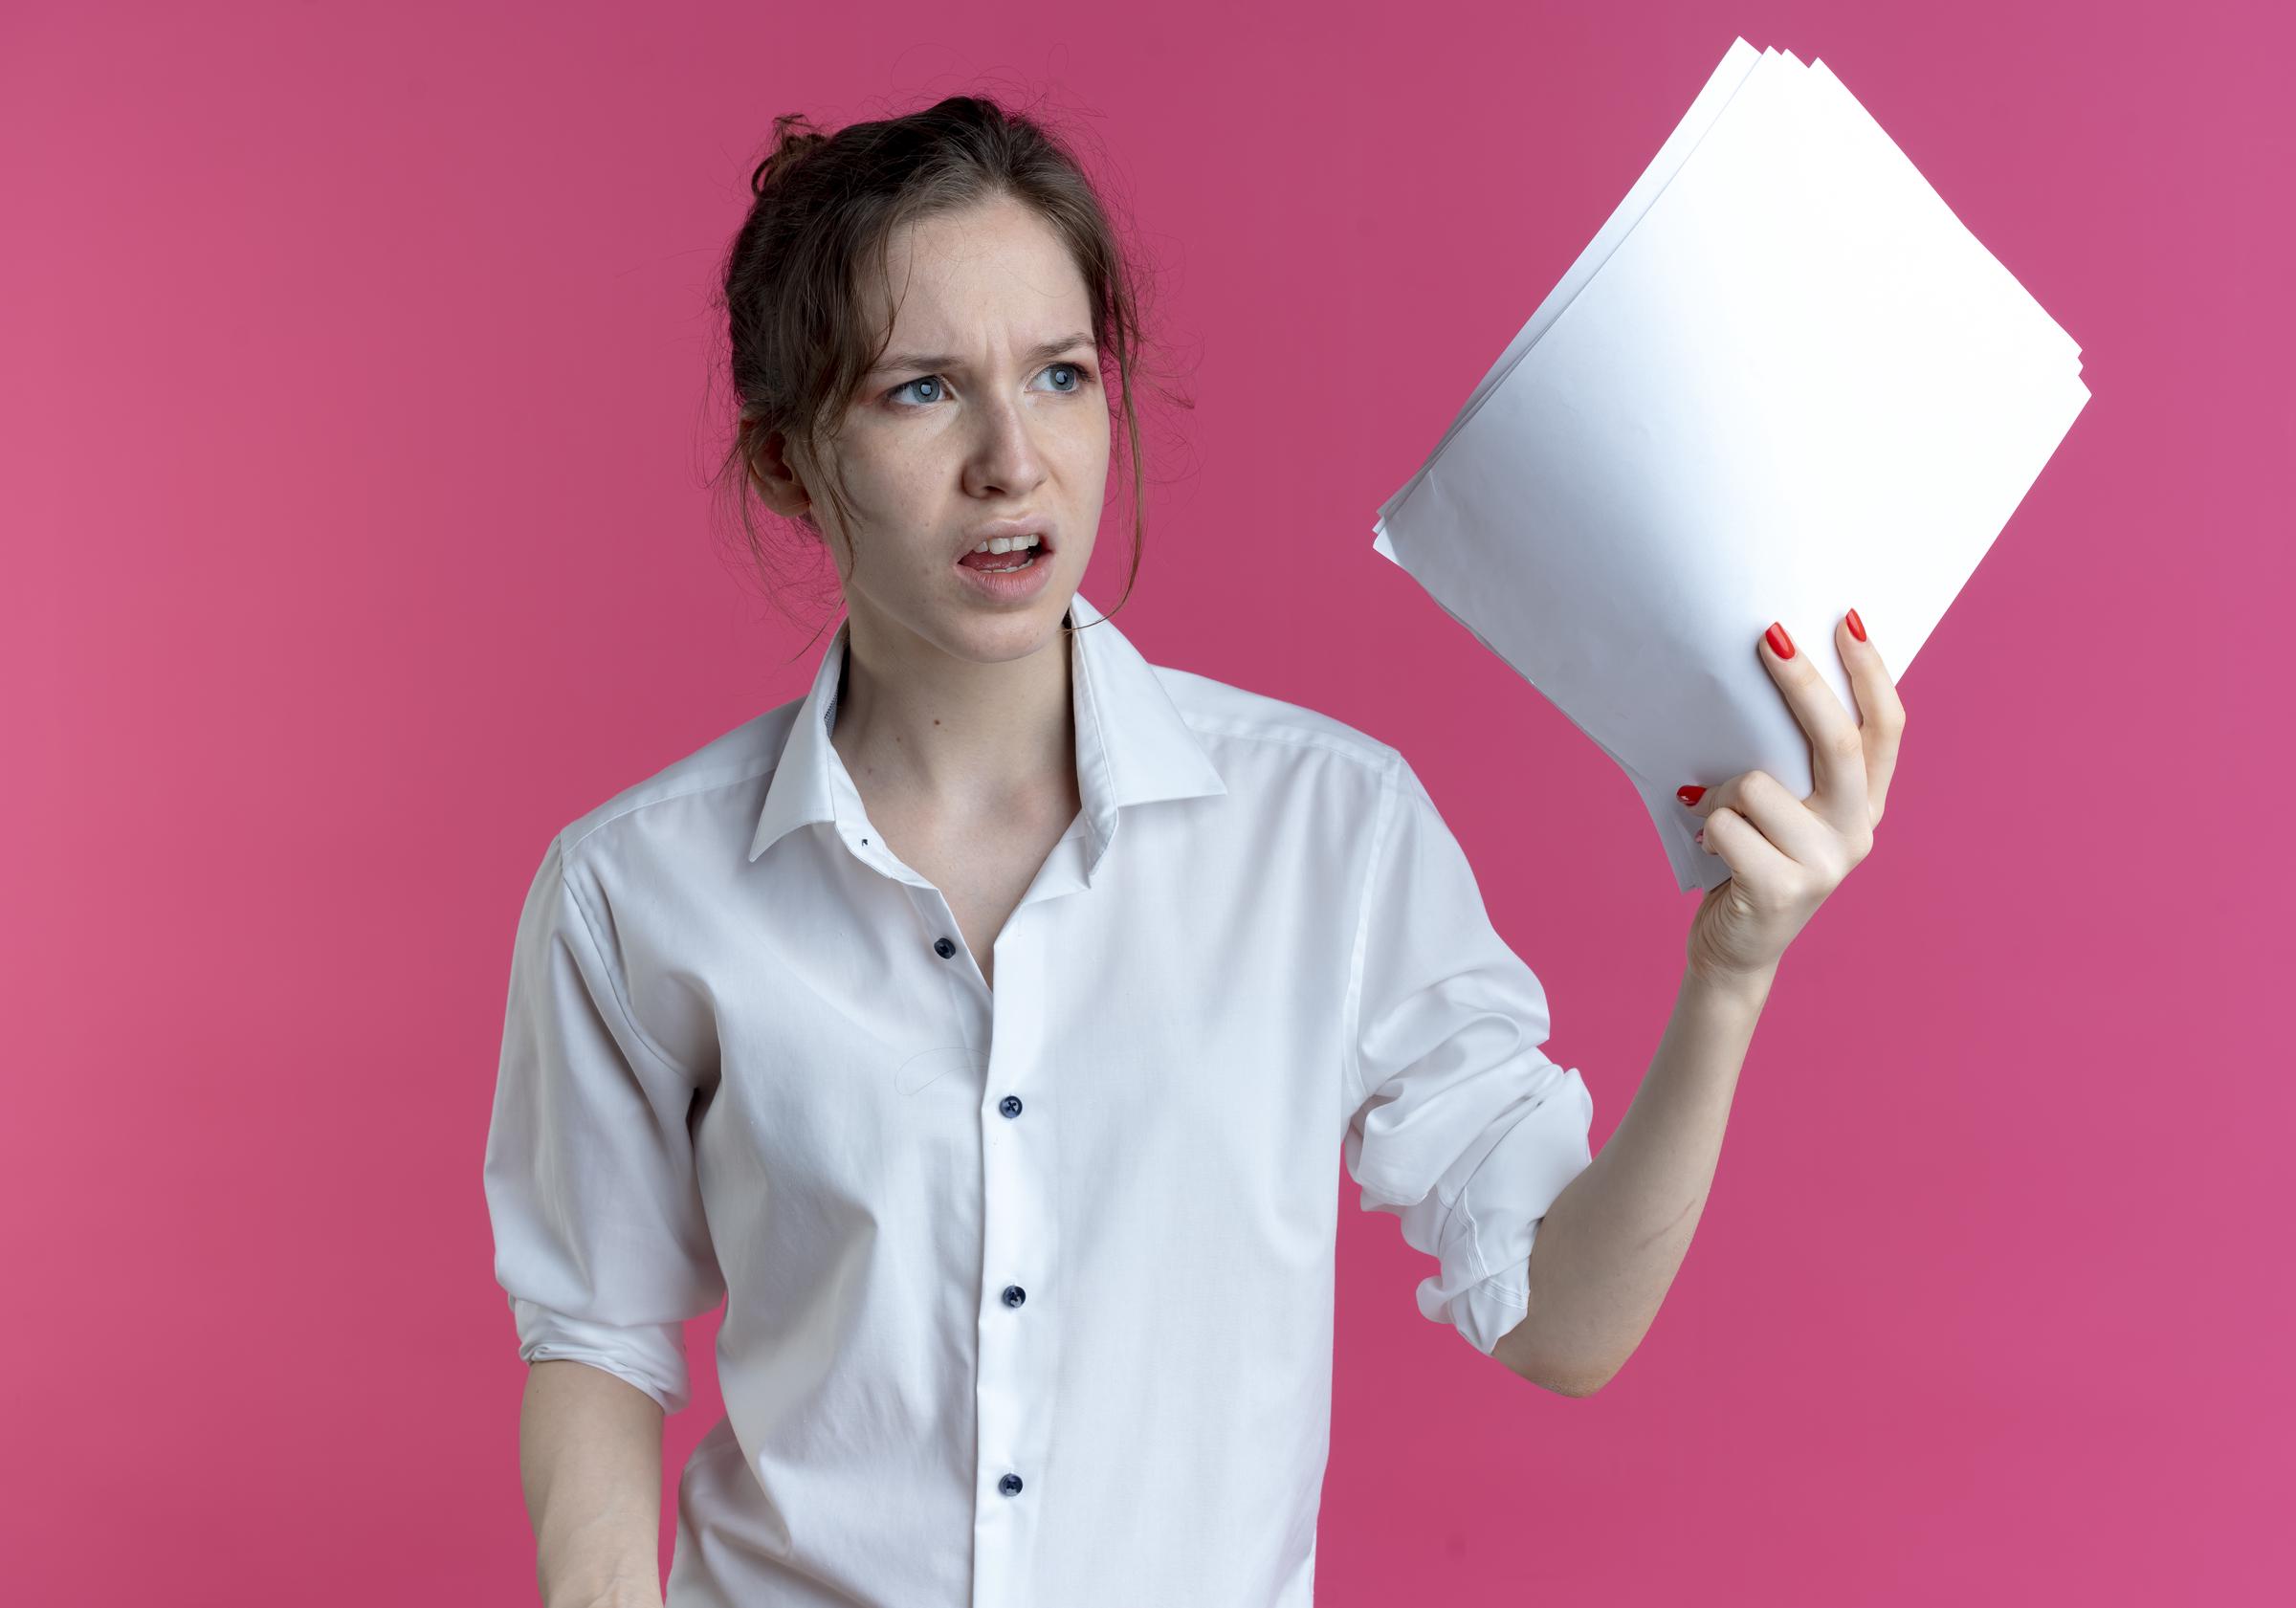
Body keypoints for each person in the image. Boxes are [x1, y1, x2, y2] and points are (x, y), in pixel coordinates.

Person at [482, 95, 1903, 1608]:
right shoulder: (635, 890)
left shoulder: (1330, 833)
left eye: (1061, 374)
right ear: (786, 464)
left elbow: (1563, 1317)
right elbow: (594, 1331)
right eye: (919, 392)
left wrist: (1730, 978)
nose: (1012, 460)